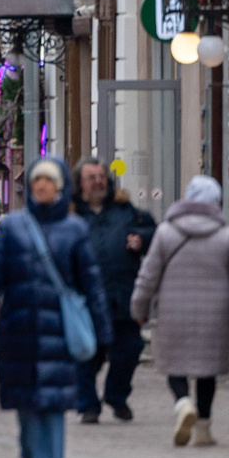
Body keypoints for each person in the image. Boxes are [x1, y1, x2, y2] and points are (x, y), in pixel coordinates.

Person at [0, 159, 110, 458]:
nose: (42, 185)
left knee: (54, 398)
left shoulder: (74, 229)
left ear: (60, 186)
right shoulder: (12, 227)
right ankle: (29, 454)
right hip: (17, 326)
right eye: (38, 180)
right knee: (25, 398)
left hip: (58, 326)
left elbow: (91, 283)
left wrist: (103, 331)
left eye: (49, 180)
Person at [129, 174, 229, 446]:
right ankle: (204, 430)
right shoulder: (224, 236)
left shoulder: (166, 232)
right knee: (207, 371)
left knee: (175, 365)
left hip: (173, 311)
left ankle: (183, 403)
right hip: (214, 314)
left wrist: (139, 309)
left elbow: (148, 276)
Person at [70, 159, 154, 422]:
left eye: (101, 176)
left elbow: (151, 230)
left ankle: (116, 396)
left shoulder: (124, 209)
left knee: (130, 349)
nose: (98, 181)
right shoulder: (71, 216)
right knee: (87, 355)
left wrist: (141, 239)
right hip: (85, 299)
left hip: (122, 294)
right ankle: (88, 406)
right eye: (91, 177)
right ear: (80, 183)